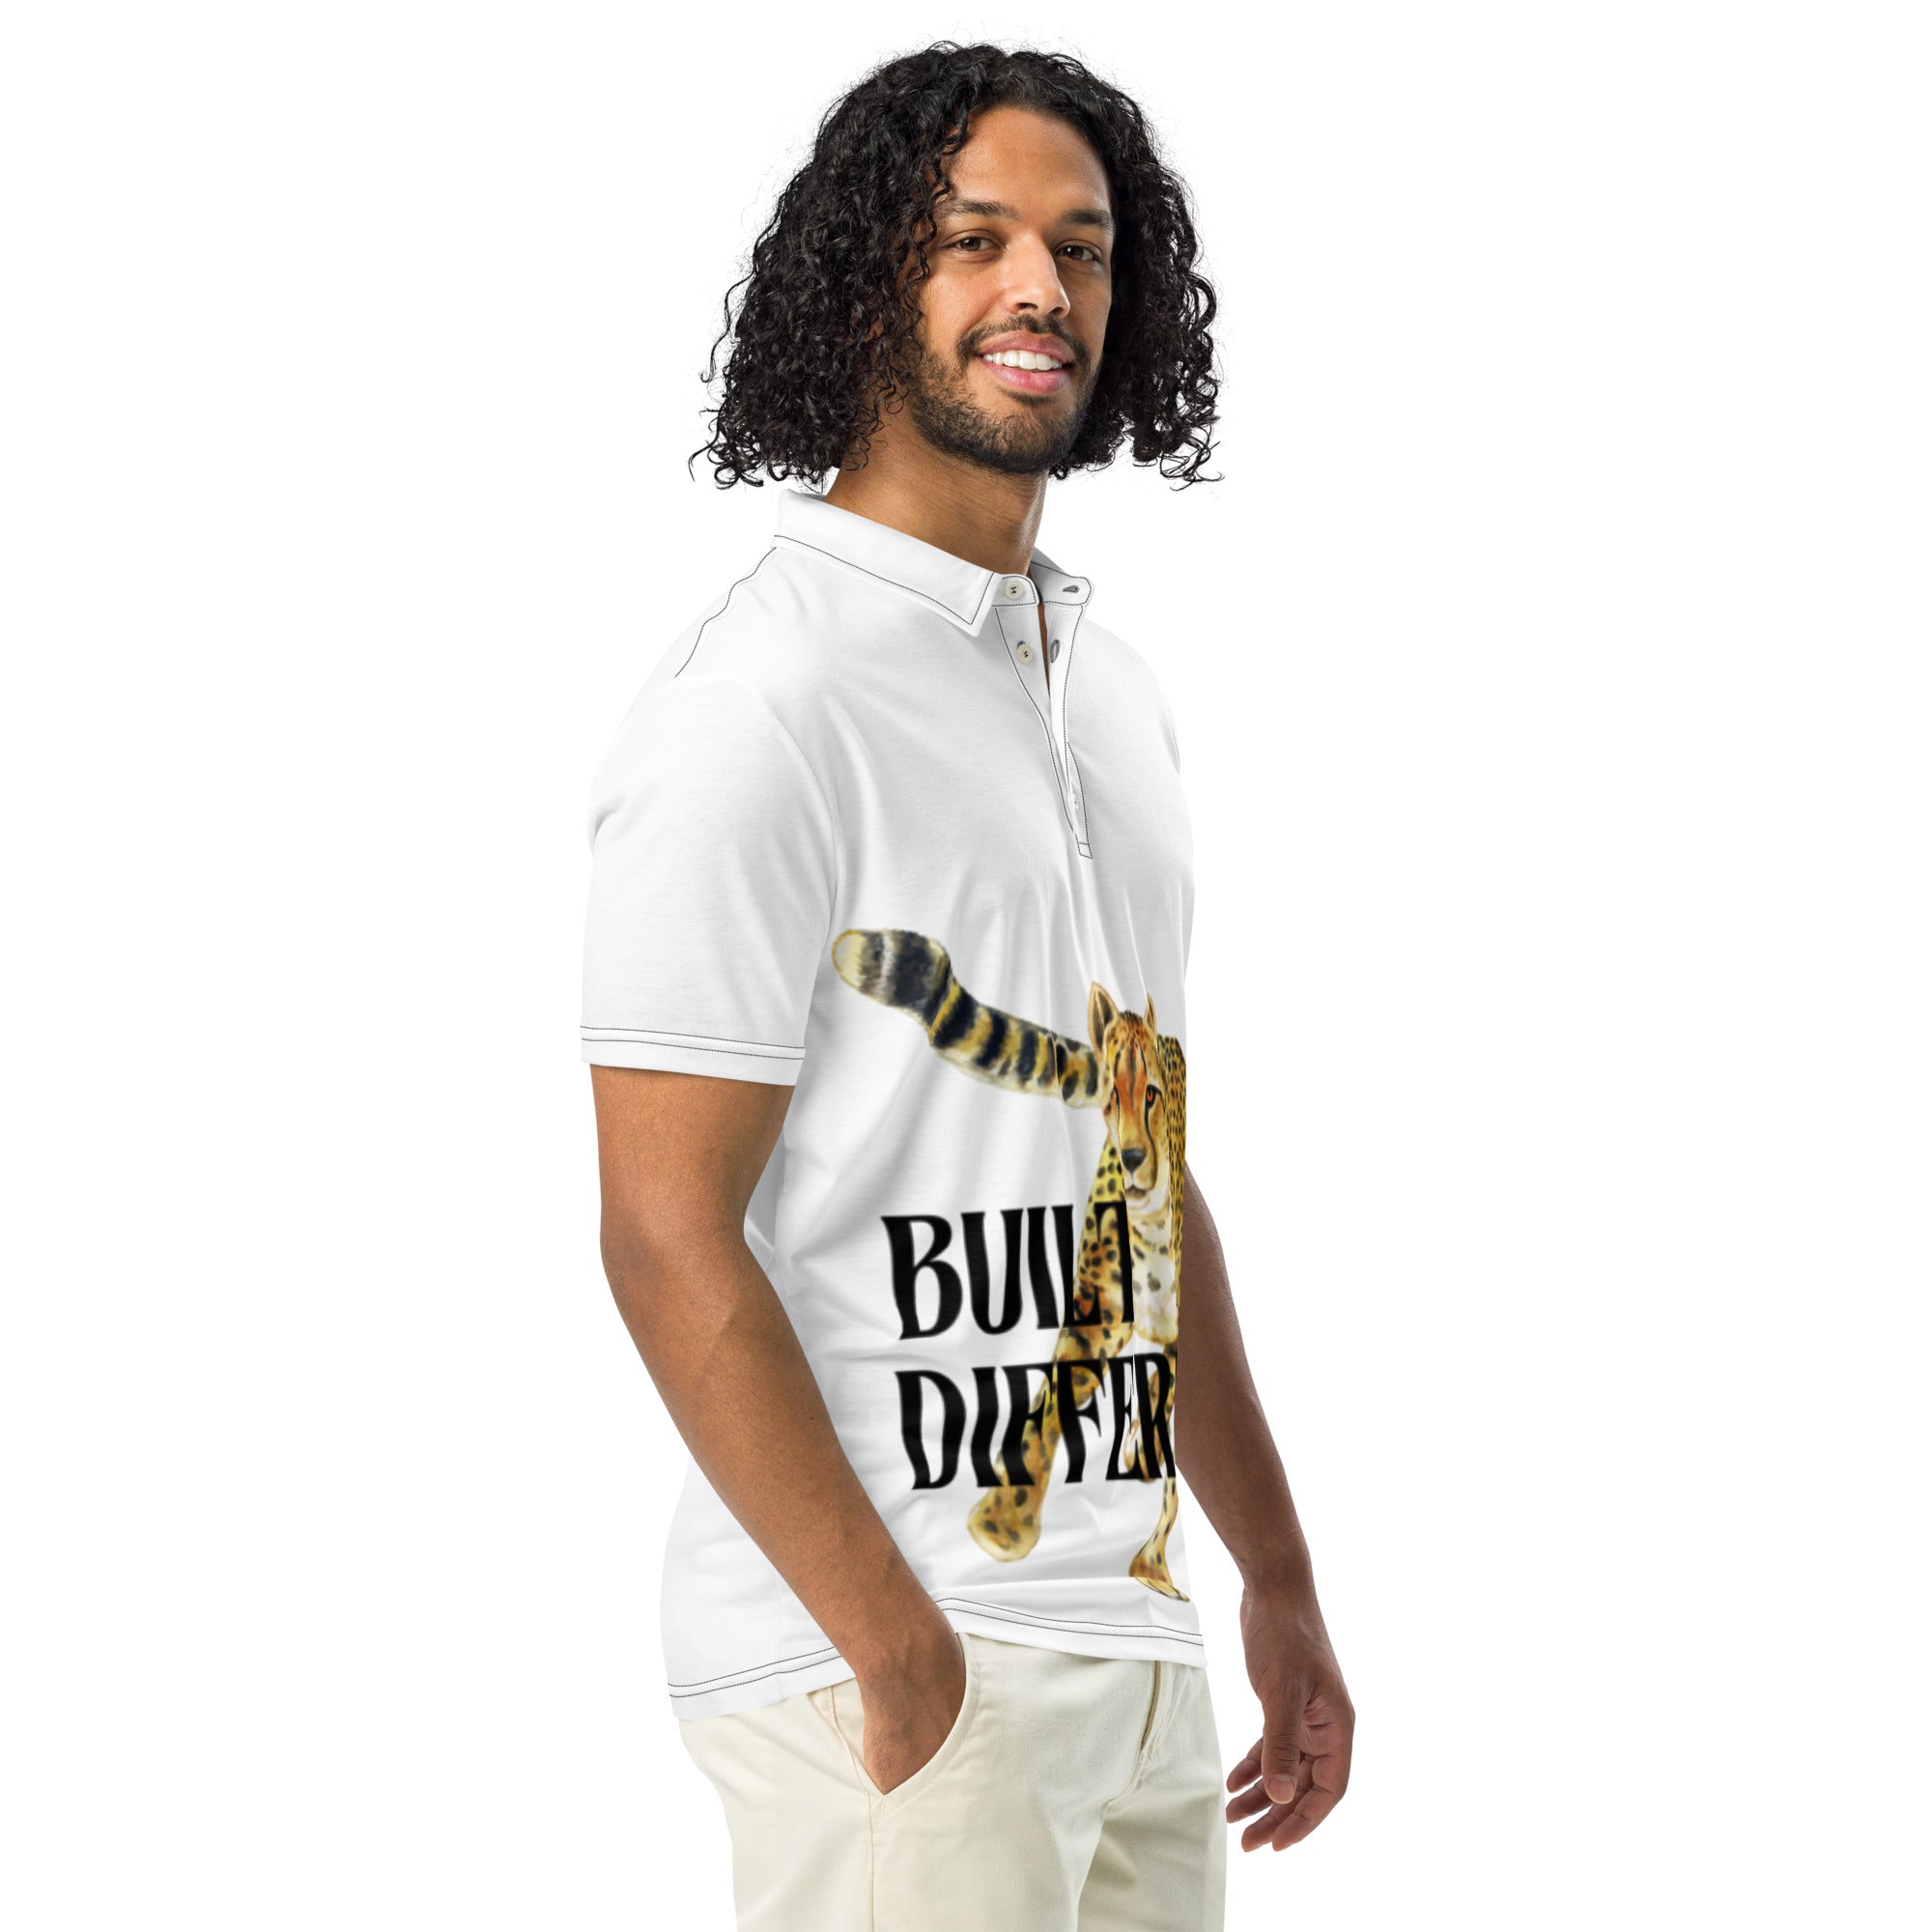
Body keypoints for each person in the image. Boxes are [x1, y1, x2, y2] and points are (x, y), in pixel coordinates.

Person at [581, 42, 1353, 1931]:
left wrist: (1272, 1576)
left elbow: (1137, 1168)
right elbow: (661, 1231)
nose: (1040, 288)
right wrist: (898, 1651)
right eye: (973, 239)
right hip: (894, 1657)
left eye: (1081, 247)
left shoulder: (1105, 694)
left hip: (1134, 1643)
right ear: (866, 281)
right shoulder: (761, 699)